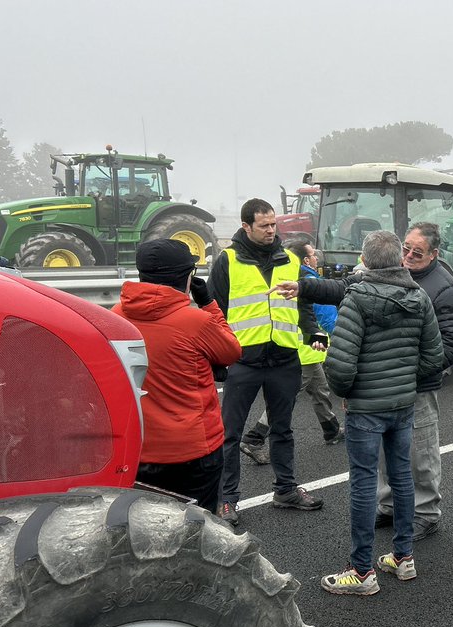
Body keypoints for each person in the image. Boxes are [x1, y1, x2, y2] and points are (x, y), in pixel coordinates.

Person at [318, 230, 443, 596]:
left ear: (366, 259)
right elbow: (433, 357)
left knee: (363, 483)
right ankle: (403, 558)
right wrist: (403, 379)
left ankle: (361, 571)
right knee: (402, 477)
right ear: (397, 259)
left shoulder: (356, 300)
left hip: (365, 410)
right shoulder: (419, 297)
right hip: (403, 406)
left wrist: (348, 392)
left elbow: (340, 368)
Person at [208, 198, 324, 525]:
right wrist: (219, 357)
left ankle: (285, 489)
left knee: (283, 429)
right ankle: (226, 500)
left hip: (284, 358)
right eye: (264, 225)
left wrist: (313, 331)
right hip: (243, 361)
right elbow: (212, 311)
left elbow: (302, 304)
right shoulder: (228, 260)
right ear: (246, 226)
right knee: (229, 434)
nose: (272, 230)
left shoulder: (289, 258)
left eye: (274, 224)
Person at [110, 239, 242, 513]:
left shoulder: (115, 317)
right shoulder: (196, 322)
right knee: (198, 529)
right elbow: (231, 351)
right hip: (193, 449)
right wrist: (207, 303)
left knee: (144, 527)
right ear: (188, 277)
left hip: (138, 447)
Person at [375, 222, 453, 541]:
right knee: (386, 447)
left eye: (417, 251)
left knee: (421, 451)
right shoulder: (395, 275)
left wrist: (417, 369)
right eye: (406, 248)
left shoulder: (445, 288)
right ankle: (388, 505)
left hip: (418, 384)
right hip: (387, 381)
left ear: (434, 254)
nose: (409, 255)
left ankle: (425, 513)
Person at [239, 241, 343, 462]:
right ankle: (254, 438)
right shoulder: (310, 282)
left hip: (295, 348)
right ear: (306, 260)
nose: (316, 258)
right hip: (304, 350)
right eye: (313, 255)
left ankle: (331, 429)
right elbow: (325, 318)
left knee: (320, 390)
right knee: (286, 398)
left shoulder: (282, 279)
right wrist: (340, 339)